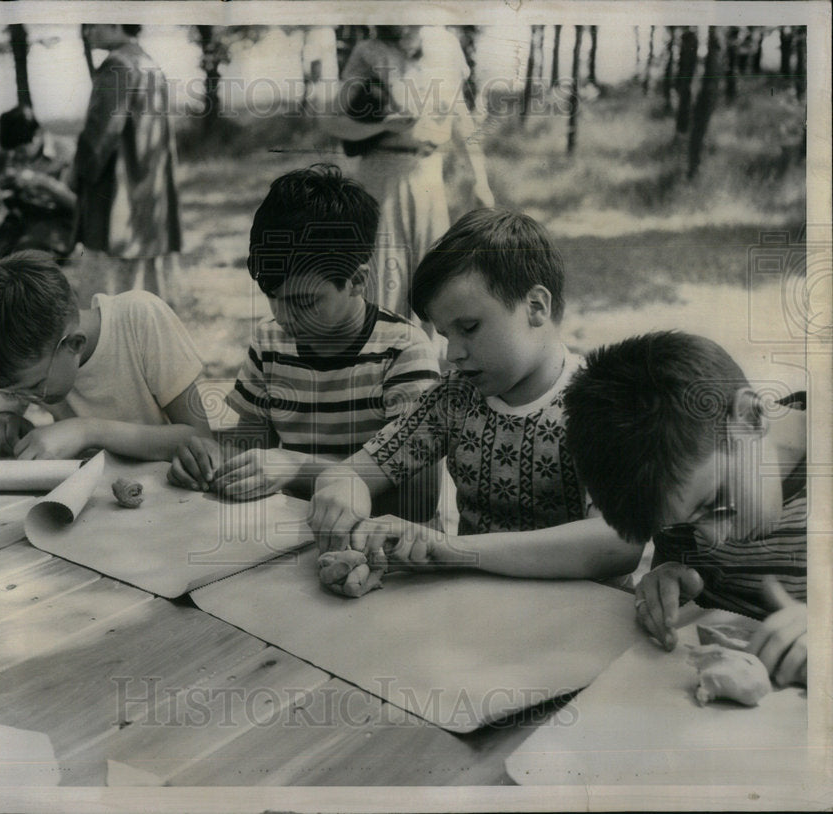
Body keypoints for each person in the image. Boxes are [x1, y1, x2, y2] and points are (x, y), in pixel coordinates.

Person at [308, 208, 641, 586]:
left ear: (536, 306)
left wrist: (454, 550)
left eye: (469, 328)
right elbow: (352, 472)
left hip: (581, 622)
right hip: (471, 610)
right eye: (446, 334)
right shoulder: (455, 399)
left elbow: (619, 542)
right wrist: (343, 498)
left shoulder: (604, 404)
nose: (453, 354)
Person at [168, 165, 442, 521]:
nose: (284, 317)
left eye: (305, 302)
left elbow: (418, 500)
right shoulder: (271, 342)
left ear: (357, 281)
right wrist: (205, 463)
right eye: (273, 297)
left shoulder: (404, 353)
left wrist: (298, 467)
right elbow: (247, 451)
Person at [563, 332, 807, 686]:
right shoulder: (683, 495)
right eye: (684, 527)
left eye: (712, 504)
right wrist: (665, 580)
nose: (711, 538)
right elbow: (679, 575)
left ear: (749, 419)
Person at [0, 250, 211, 461]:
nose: (26, 399)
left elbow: (201, 440)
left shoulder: (139, 319)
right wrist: (1, 421)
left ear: (74, 344)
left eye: (35, 387)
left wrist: (87, 431)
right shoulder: (29, 361)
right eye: (14, 394)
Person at [318, 26, 494, 327]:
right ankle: (377, 363)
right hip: (381, 176)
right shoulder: (368, 52)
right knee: (382, 277)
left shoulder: (447, 45)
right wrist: (385, 126)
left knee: (432, 279)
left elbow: (461, 118)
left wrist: (480, 179)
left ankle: (425, 366)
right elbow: (332, 123)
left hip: (429, 175)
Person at [70, 24, 182, 301]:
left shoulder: (117, 66)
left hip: (116, 198)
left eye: (92, 26)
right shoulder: (149, 63)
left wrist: (76, 175)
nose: (87, 33)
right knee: (145, 294)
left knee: (108, 297)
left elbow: (101, 134)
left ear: (115, 23)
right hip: (149, 194)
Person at [0, 105, 77, 258]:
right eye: (11, 151)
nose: (15, 156)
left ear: (38, 135)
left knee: (22, 259)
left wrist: (38, 181)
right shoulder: (13, 151)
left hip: (55, 225)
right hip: (22, 220)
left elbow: (76, 204)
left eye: (20, 150)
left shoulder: (66, 151)